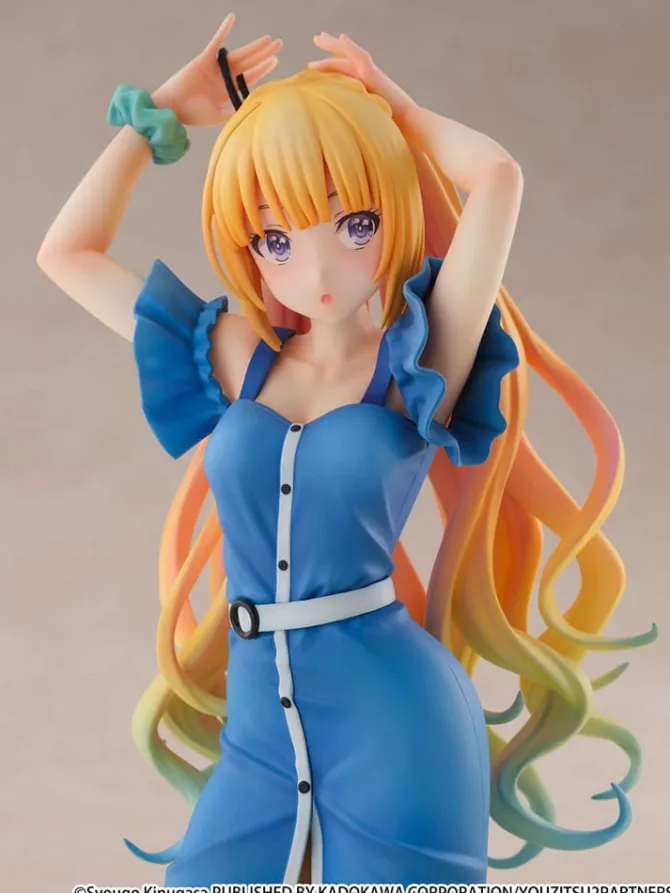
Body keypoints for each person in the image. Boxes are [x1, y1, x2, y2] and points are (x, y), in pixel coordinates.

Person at [36, 13, 656, 885]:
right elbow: (67, 253)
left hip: (396, 727)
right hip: (260, 732)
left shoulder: (419, 360)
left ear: (391, 212)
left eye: (354, 223)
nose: (319, 268)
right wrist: (159, 115)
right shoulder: (235, 358)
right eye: (277, 240)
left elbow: (497, 178)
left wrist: (396, 111)